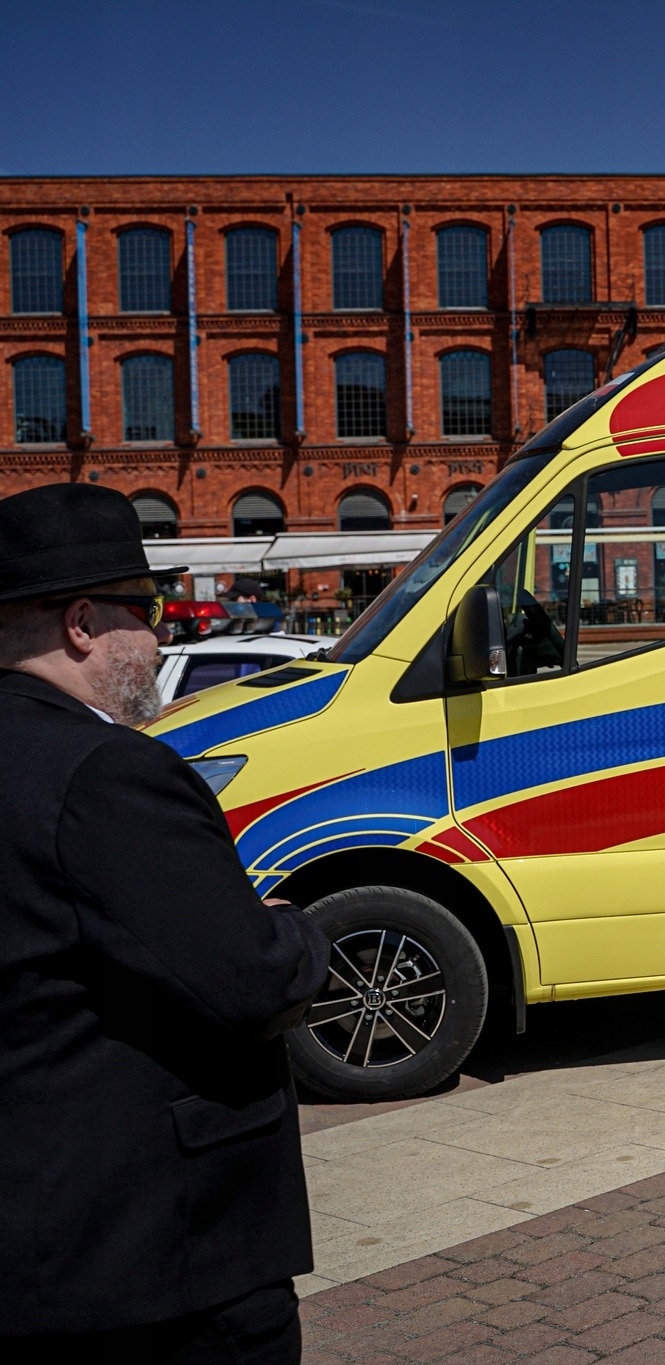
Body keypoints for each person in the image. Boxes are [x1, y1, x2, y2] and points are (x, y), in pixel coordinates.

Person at [0, 485, 330, 1362]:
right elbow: (250, 978)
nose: (158, 639)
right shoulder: (106, 771)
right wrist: (293, 929)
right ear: (81, 623)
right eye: (144, 611)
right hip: (159, 1256)